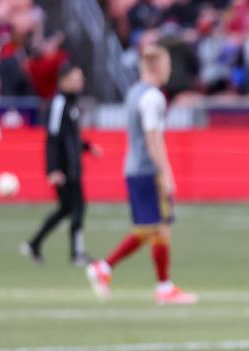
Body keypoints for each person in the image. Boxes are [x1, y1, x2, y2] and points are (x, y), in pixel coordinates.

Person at [86, 46, 197, 304]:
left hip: (135, 168)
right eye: (167, 64)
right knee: (152, 228)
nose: (170, 70)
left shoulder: (135, 92)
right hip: (147, 170)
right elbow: (152, 136)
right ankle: (106, 267)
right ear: (157, 67)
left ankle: (162, 286)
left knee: (158, 228)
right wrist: (166, 171)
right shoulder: (153, 97)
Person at [22, 65, 102, 266]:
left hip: (73, 166)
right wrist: (53, 169)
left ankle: (34, 244)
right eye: (76, 78)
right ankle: (77, 253)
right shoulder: (59, 103)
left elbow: (71, 137)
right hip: (65, 169)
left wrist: (87, 147)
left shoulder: (71, 103)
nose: (79, 82)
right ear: (63, 80)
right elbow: (53, 138)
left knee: (66, 209)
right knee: (77, 208)